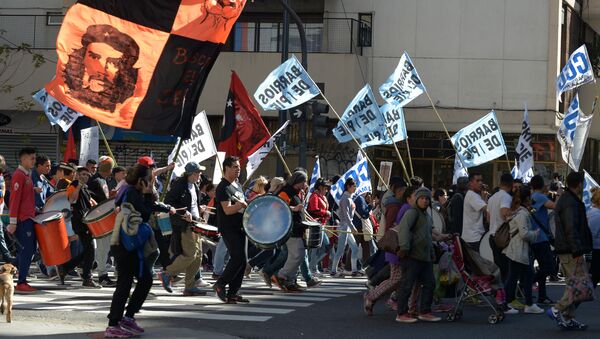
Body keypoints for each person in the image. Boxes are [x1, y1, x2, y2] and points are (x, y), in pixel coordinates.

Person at [104, 164, 175, 338]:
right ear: (141, 179)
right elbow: (144, 212)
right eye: (149, 177)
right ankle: (113, 324)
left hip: (130, 244)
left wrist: (165, 207)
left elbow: (149, 206)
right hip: (125, 244)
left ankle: (127, 317)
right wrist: (149, 192)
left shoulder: (132, 191)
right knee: (125, 283)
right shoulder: (131, 192)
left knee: (145, 280)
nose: (152, 180)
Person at [548, 172, 593, 330]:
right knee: (577, 285)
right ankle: (558, 309)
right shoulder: (570, 202)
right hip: (570, 250)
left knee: (580, 285)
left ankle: (567, 316)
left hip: (569, 248)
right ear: (579, 184)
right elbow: (571, 228)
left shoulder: (569, 200)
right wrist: (577, 251)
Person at [159, 162, 208, 296]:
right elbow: (169, 203)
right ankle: (167, 273)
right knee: (191, 254)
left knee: (198, 257)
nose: (200, 175)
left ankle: (190, 286)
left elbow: (193, 205)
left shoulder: (195, 186)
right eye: (198, 172)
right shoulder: (179, 185)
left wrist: (200, 214)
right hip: (184, 225)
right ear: (192, 173)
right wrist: (182, 214)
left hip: (195, 224)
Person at [395, 187, 441, 323]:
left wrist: (432, 252)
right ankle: (401, 313)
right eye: (422, 198)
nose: (425, 201)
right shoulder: (412, 212)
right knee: (406, 285)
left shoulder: (426, 216)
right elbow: (403, 229)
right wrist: (404, 247)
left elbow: (428, 236)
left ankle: (425, 311)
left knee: (430, 284)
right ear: (416, 199)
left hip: (424, 257)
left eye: (427, 199)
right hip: (411, 256)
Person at [213, 156, 249, 304]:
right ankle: (220, 284)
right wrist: (241, 205)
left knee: (242, 260)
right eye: (235, 167)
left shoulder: (237, 185)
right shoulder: (223, 187)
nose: (238, 169)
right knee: (238, 257)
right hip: (228, 227)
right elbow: (227, 210)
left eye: (239, 167)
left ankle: (233, 292)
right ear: (226, 168)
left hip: (240, 227)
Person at [502, 186, 543, 314]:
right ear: (526, 199)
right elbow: (524, 234)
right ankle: (516, 303)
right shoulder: (522, 214)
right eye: (530, 197)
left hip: (516, 250)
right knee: (519, 276)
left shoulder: (519, 212)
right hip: (518, 250)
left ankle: (511, 303)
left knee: (517, 276)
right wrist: (535, 234)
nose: (531, 199)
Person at [57, 166, 101, 288]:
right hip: (80, 221)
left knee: (87, 250)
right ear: (77, 175)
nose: (85, 177)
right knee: (90, 249)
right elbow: (72, 199)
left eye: (87, 175)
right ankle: (87, 278)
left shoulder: (85, 188)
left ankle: (65, 268)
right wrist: (78, 186)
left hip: (86, 221)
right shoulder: (74, 184)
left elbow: (90, 202)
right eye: (82, 174)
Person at [6, 147, 38, 293]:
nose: (34, 161)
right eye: (31, 158)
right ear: (23, 159)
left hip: (29, 218)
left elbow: (24, 198)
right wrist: (13, 222)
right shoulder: (19, 176)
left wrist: (33, 191)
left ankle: (9, 270)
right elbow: (14, 200)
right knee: (27, 251)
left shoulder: (26, 175)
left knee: (28, 250)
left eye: (34, 158)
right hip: (22, 221)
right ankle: (21, 282)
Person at [273, 171, 310, 291]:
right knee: (297, 255)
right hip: (289, 227)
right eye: (304, 181)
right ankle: (282, 276)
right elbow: (276, 206)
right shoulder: (286, 191)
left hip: (296, 227)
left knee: (297, 256)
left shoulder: (295, 192)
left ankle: (290, 281)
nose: (305, 183)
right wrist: (294, 208)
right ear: (298, 182)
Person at [87, 156, 117, 287]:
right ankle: (102, 275)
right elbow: (98, 201)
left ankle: (97, 270)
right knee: (102, 248)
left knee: (103, 248)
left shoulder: (101, 180)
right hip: (100, 219)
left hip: (102, 218)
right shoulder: (97, 181)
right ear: (109, 169)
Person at [529, 175, 557, 304]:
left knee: (543, 267)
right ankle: (529, 282)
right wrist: (559, 193)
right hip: (540, 237)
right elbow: (555, 206)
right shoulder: (539, 197)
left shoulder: (531, 197)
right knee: (549, 267)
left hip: (534, 236)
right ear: (542, 185)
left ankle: (542, 295)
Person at [330, 178, 360, 277]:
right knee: (340, 249)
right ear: (348, 186)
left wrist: (351, 227)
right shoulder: (345, 198)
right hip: (344, 227)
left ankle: (354, 270)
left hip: (347, 227)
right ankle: (333, 270)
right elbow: (346, 216)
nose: (355, 188)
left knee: (355, 248)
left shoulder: (349, 198)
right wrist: (352, 227)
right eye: (353, 186)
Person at [487, 173, 513, 281]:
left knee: (498, 266)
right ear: (511, 184)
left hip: (492, 236)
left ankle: (498, 292)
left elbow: (488, 218)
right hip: (503, 238)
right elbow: (504, 212)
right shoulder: (506, 197)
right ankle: (505, 294)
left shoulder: (492, 198)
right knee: (506, 268)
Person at [307, 178, 331, 275]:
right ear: (320, 187)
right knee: (315, 247)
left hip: (322, 225)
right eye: (325, 188)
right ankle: (312, 268)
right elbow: (314, 210)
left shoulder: (322, 196)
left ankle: (311, 265)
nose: (327, 190)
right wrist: (325, 213)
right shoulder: (314, 196)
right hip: (315, 225)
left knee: (326, 246)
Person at [461, 173, 488, 252]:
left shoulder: (475, 195)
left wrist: (484, 197)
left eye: (481, 180)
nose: (480, 183)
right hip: (473, 238)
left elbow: (484, 211)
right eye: (477, 180)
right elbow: (487, 209)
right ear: (471, 183)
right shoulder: (472, 196)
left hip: (474, 237)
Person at [0, 155, 16, 264]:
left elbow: (2, 192)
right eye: (2, 162)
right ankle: (9, 259)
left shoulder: (1, 176)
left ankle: (9, 258)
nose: (4, 163)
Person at [587, 187, 600, 288]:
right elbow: (592, 234)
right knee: (593, 280)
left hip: (596, 250)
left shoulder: (595, 213)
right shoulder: (596, 215)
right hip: (596, 250)